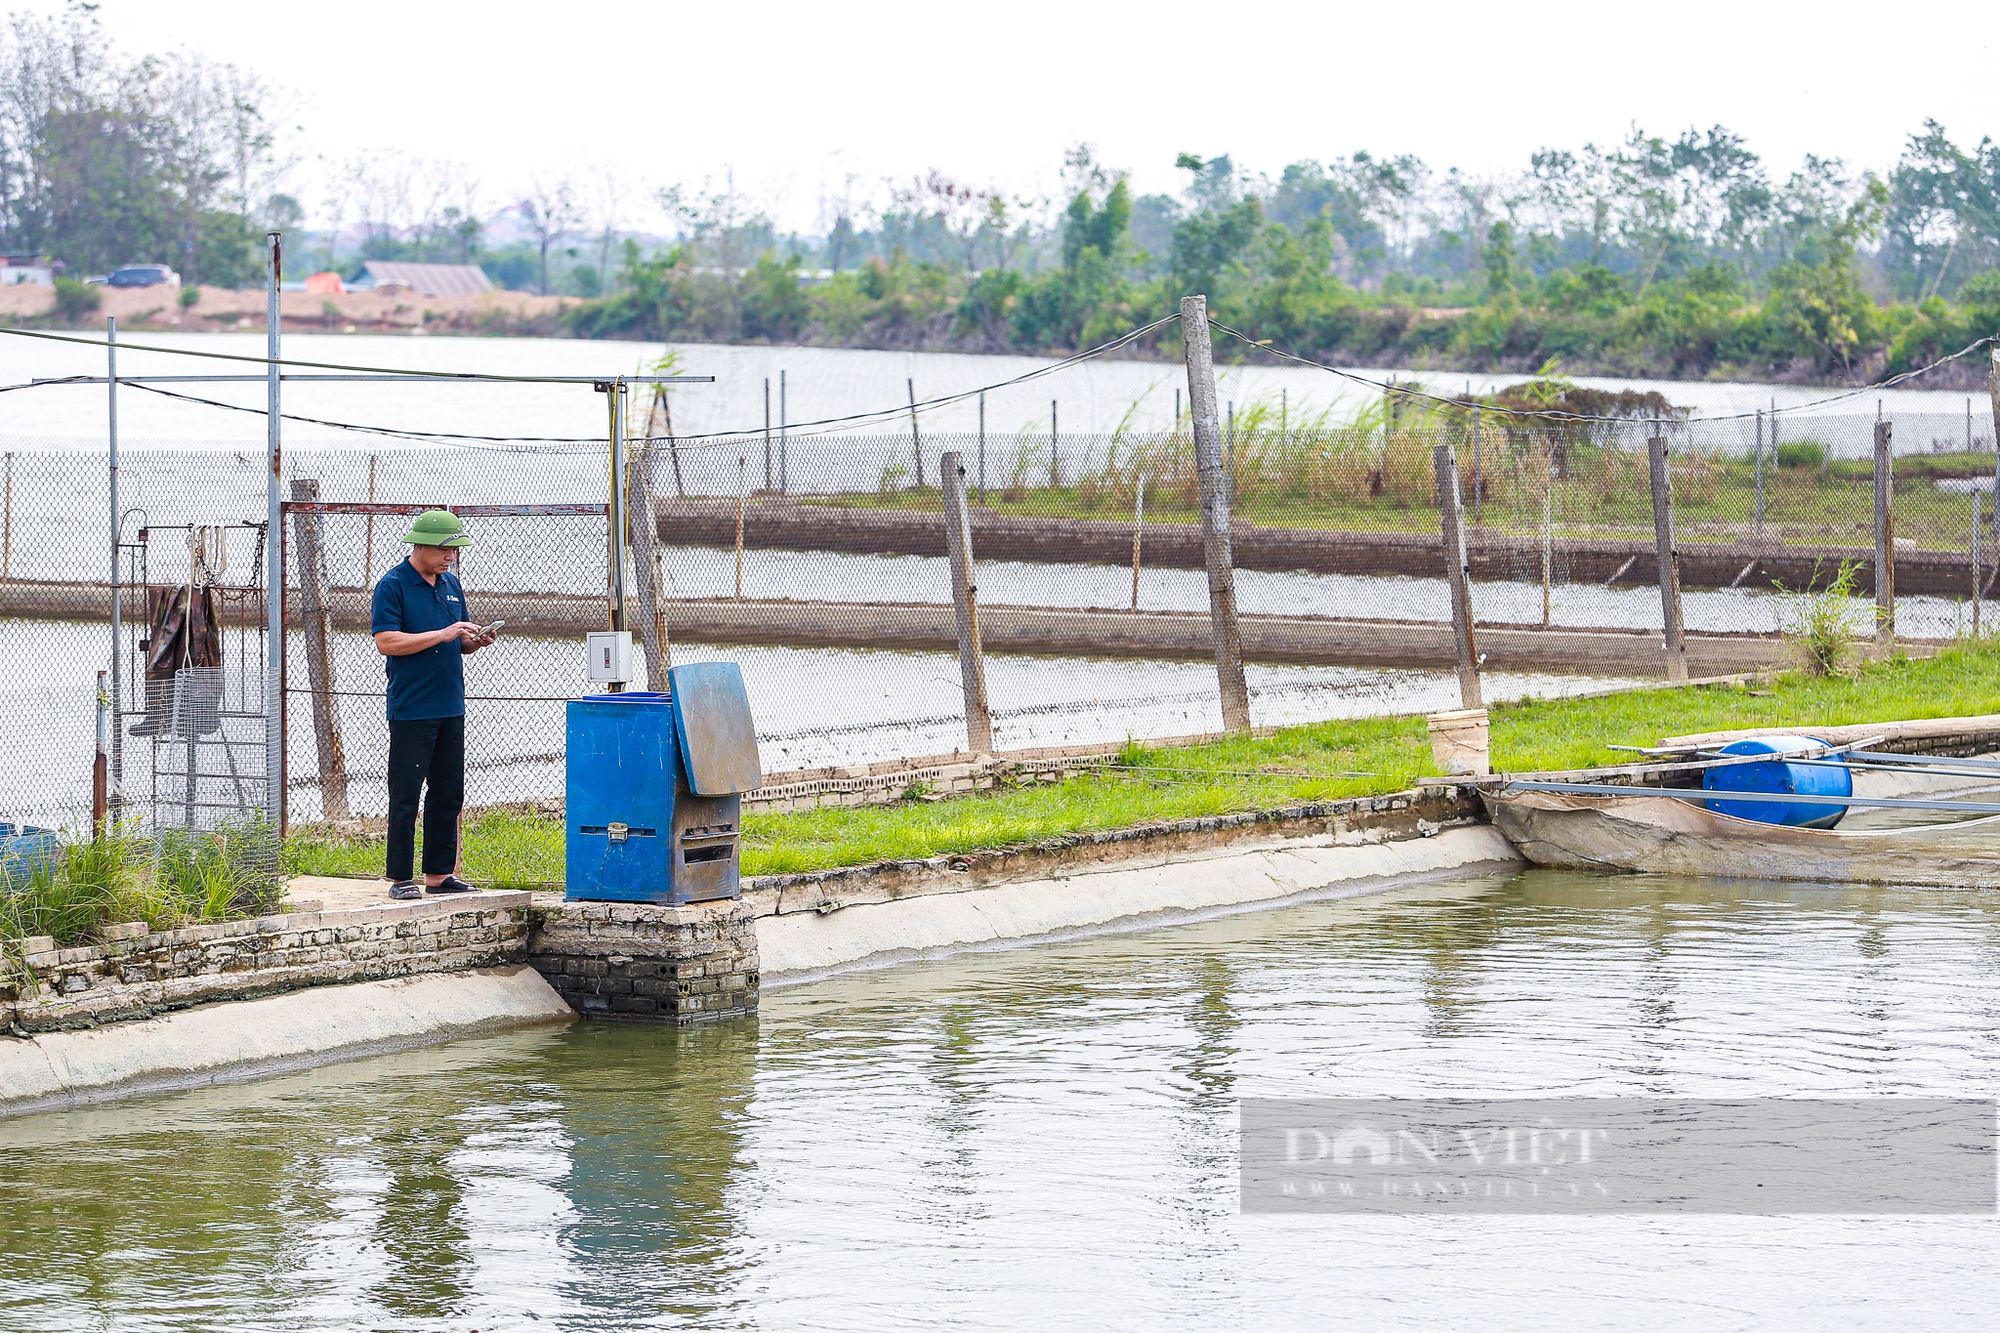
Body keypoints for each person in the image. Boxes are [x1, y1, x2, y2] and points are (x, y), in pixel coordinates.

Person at [370, 510, 496, 900]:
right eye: (444, 549)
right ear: (419, 544)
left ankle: (439, 875)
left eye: (455, 550)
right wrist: (443, 633)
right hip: (412, 708)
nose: (450, 557)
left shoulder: (451, 585)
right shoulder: (392, 586)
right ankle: (400, 878)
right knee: (405, 793)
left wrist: (476, 640)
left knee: (447, 791)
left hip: (450, 705)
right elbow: (387, 641)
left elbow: (458, 642)